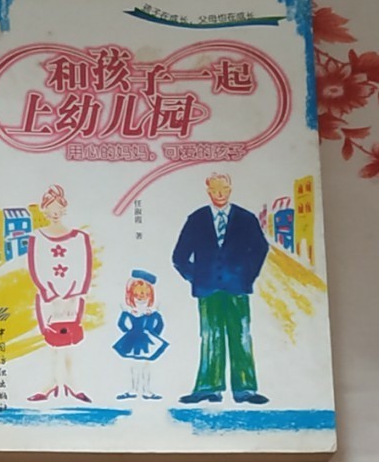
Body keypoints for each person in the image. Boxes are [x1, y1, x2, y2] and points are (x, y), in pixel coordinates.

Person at [172, 172, 269, 404]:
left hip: (237, 287)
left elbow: (260, 249)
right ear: (208, 191)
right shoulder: (196, 219)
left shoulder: (246, 218)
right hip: (207, 289)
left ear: (230, 189)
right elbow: (179, 256)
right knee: (210, 335)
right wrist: (196, 278)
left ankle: (245, 388)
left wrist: (248, 276)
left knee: (241, 335)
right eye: (215, 189)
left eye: (224, 189)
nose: (220, 194)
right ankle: (209, 388)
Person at [25, 184, 94, 403]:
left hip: (73, 299)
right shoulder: (37, 237)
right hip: (49, 299)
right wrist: (51, 294)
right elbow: (36, 267)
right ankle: (50, 384)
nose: (55, 212)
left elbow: (84, 267)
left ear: (64, 209)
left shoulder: (79, 237)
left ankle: (72, 384)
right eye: (50, 208)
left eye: (58, 208)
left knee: (71, 342)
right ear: (44, 209)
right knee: (51, 343)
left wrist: (73, 294)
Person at [113, 268, 168, 400]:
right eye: (137, 294)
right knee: (135, 366)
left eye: (145, 294)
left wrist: (153, 335)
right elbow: (120, 324)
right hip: (134, 340)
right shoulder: (129, 311)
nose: (141, 296)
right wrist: (129, 333)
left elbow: (160, 324)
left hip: (147, 341)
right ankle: (133, 389)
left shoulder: (152, 312)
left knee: (146, 366)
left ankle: (146, 391)